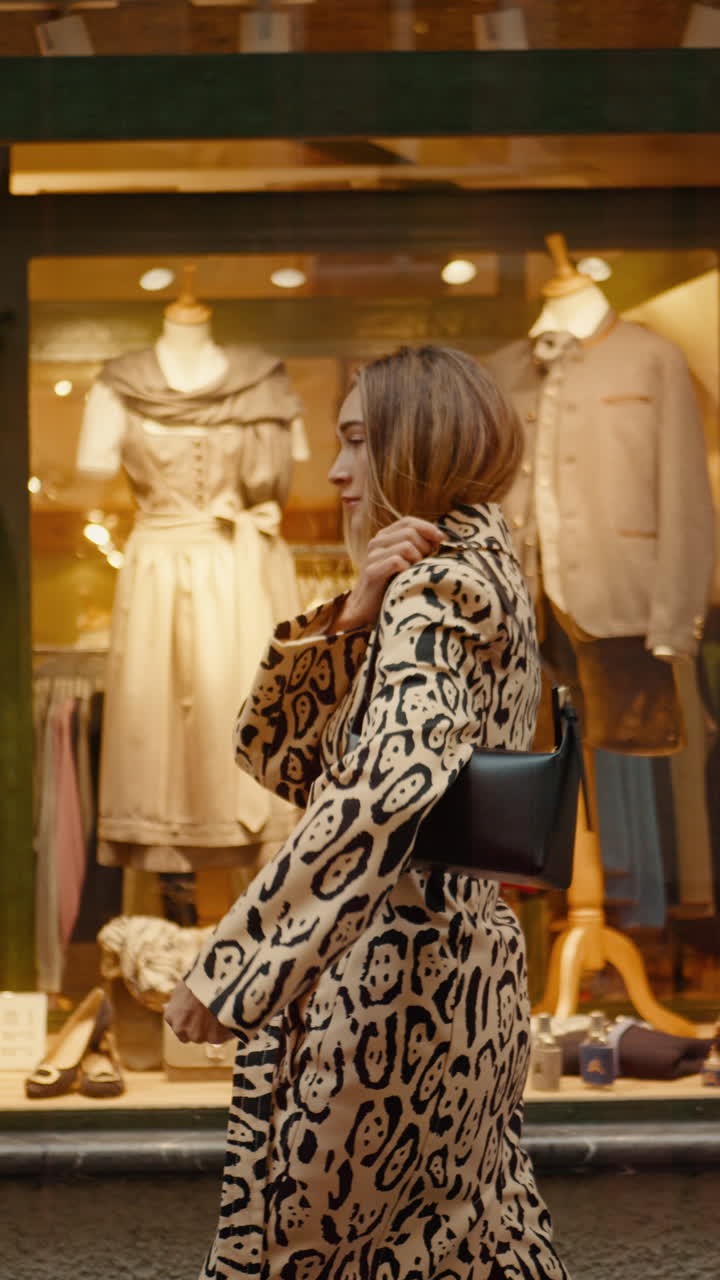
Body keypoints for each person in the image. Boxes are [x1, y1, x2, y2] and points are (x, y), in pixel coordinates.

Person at [165, 345, 570, 1280]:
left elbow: (379, 792)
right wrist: (351, 620)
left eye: (358, 441)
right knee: (472, 1244)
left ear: (419, 444)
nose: (338, 471)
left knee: (314, 1253)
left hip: (388, 998)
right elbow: (288, 759)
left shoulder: (438, 587)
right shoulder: (484, 562)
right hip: (459, 979)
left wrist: (237, 968)